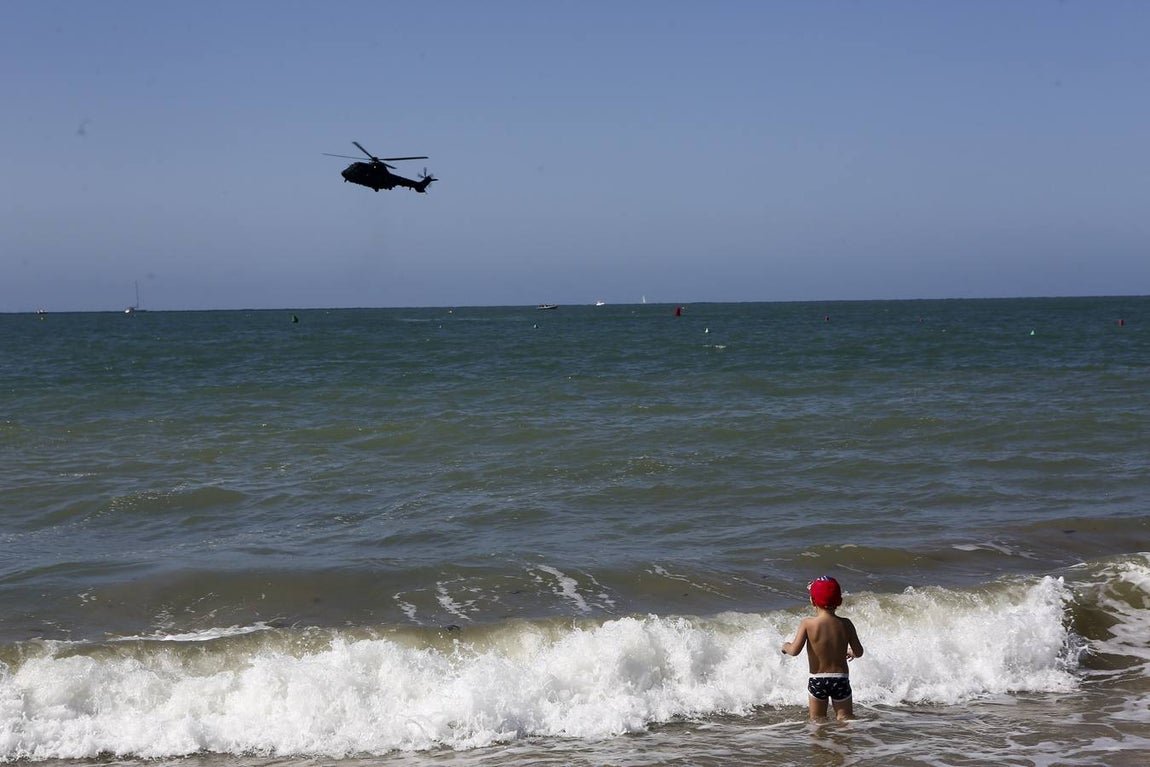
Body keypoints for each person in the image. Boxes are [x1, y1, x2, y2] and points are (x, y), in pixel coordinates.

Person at [781, 576, 864, 720]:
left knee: (818, 721)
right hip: (840, 680)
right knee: (845, 719)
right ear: (840, 601)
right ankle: (844, 742)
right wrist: (851, 652)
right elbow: (859, 652)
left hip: (818, 680)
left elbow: (794, 651)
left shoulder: (807, 624)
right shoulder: (846, 624)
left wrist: (785, 646)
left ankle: (820, 743)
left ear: (812, 601)